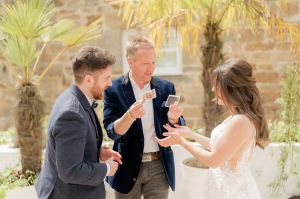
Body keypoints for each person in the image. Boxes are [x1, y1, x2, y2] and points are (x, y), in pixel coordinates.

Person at [156, 58, 270, 199]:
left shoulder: (240, 120)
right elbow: (219, 148)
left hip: (232, 192)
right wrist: (190, 134)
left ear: (231, 88)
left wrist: (182, 142)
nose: (212, 89)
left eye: (217, 86)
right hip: (223, 188)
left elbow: (213, 160)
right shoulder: (237, 116)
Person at [103, 35, 186, 199]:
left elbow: (176, 126)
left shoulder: (167, 87)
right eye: (145, 63)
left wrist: (174, 119)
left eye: (153, 62)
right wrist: (130, 116)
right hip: (126, 166)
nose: (151, 68)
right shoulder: (113, 90)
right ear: (130, 62)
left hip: (159, 166)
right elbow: (112, 132)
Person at [35, 46, 122, 199]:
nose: (110, 84)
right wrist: (106, 169)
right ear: (89, 79)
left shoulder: (72, 97)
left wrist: (97, 152)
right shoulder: (72, 113)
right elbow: (70, 171)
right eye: (106, 78)